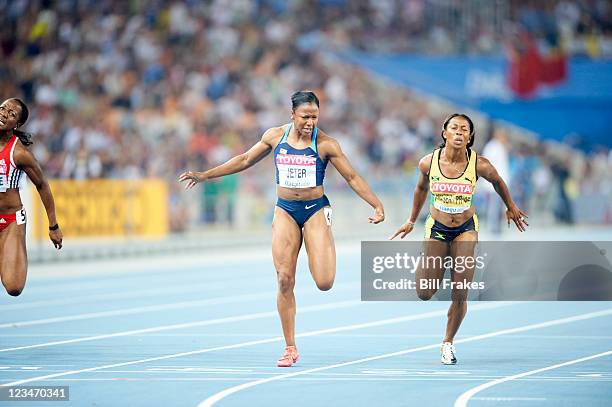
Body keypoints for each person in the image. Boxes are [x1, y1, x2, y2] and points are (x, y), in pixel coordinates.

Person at [180, 91, 385, 367]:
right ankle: (290, 346)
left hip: (314, 210)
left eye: (314, 117)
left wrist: (376, 205)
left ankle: (323, 236)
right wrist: (206, 175)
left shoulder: (326, 144)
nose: (310, 122)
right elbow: (243, 160)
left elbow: (352, 176)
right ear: (292, 115)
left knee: (324, 282)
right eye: (305, 117)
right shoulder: (275, 136)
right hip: (285, 210)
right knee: (285, 279)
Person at [390, 113, 527, 365]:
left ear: (470, 137)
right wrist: (411, 219)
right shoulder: (427, 163)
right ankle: (430, 259)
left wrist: (510, 206)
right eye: (454, 128)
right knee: (424, 292)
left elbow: (498, 181)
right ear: (444, 132)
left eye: (464, 129)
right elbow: (421, 188)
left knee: (460, 292)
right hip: (437, 228)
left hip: (465, 228)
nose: (459, 132)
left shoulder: (479, 164)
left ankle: (448, 342)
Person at [0, 98, 63, 296]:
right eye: (2, 108)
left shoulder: (19, 153)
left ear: (16, 124)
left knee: (14, 287)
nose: (3, 113)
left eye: (11, 114)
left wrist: (53, 226)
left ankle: (10, 250)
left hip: (11, 221)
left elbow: (42, 185)